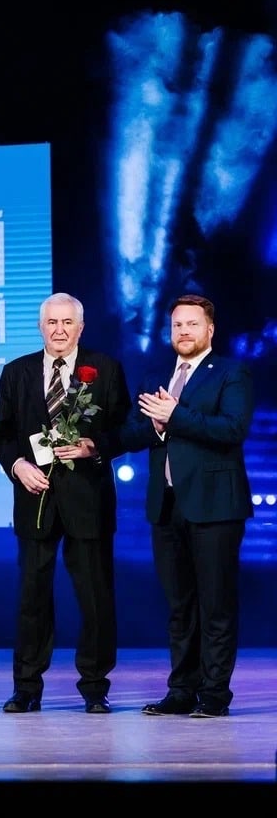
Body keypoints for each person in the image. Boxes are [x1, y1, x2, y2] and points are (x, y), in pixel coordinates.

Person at [0, 293, 132, 714]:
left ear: (80, 327)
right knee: (32, 597)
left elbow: (125, 427)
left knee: (95, 597)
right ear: (41, 327)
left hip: (88, 499)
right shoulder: (16, 372)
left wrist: (95, 446)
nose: (59, 330)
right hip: (34, 496)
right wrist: (17, 465)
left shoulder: (105, 368)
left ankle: (94, 686)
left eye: (67, 322)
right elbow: (2, 435)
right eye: (51, 322)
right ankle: (26, 687)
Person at [121, 294, 254, 718]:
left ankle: (214, 694)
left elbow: (232, 429)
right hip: (167, 505)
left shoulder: (231, 372)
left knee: (215, 605)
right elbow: (133, 432)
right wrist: (155, 426)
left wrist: (174, 416)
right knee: (179, 606)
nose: (183, 331)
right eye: (177, 324)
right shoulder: (157, 375)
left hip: (215, 507)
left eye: (192, 324)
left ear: (209, 329)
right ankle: (181, 690)